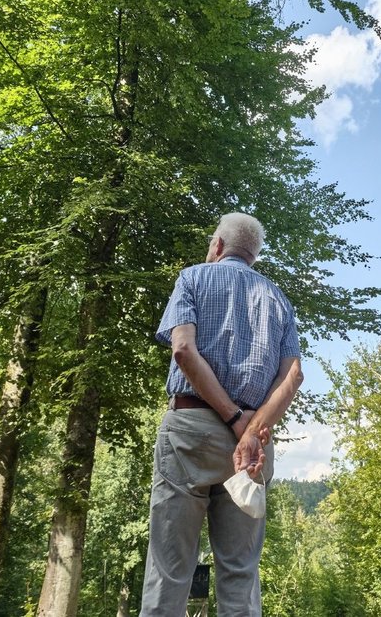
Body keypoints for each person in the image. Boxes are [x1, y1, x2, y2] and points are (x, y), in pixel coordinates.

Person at [139, 212, 303, 617]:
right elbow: (293, 376)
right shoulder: (278, 298)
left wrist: (232, 417)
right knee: (240, 574)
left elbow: (182, 350)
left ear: (217, 246)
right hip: (252, 447)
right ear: (254, 257)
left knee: (169, 570)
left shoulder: (193, 278)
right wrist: (252, 429)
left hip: (189, 434)